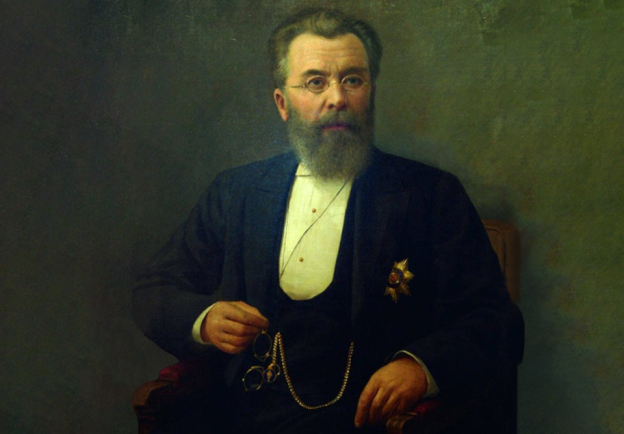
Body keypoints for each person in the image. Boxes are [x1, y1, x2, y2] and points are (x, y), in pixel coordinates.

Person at [133, 7, 513, 434]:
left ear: (370, 91)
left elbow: (494, 319)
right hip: (244, 418)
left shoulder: (431, 195)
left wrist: (419, 368)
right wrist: (205, 320)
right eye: (316, 82)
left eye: (352, 80)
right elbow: (154, 290)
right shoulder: (237, 191)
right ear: (283, 103)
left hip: (362, 423)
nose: (337, 99)